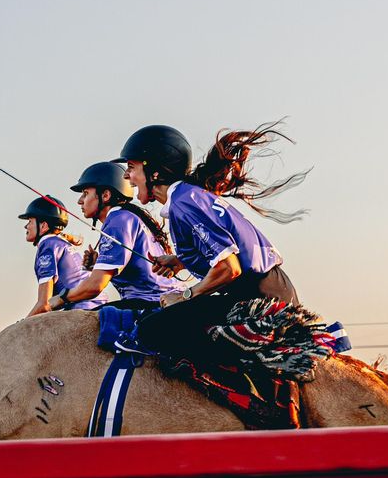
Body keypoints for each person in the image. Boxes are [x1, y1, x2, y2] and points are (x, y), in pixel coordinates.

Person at [118, 123, 305, 357]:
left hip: (263, 301)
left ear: (154, 172)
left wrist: (184, 296)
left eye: (131, 167)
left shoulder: (184, 203)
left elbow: (229, 268)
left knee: (151, 330)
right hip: (266, 292)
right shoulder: (188, 196)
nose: (126, 176)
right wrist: (180, 261)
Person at [46, 161, 182, 312]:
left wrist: (61, 298)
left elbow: (95, 286)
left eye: (85, 193)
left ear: (105, 195)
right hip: (154, 300)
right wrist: (98, 264)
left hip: (154, 303)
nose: (80, 201)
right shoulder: (124, 217)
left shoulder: (118, 221)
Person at [19, 196, 95, 315]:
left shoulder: (47, 246)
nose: (26, 226)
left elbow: (44, 304)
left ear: (43, 226)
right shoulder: (59, 243)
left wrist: (20, 326)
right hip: (94, 305)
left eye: (29, 221)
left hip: (79, 310)